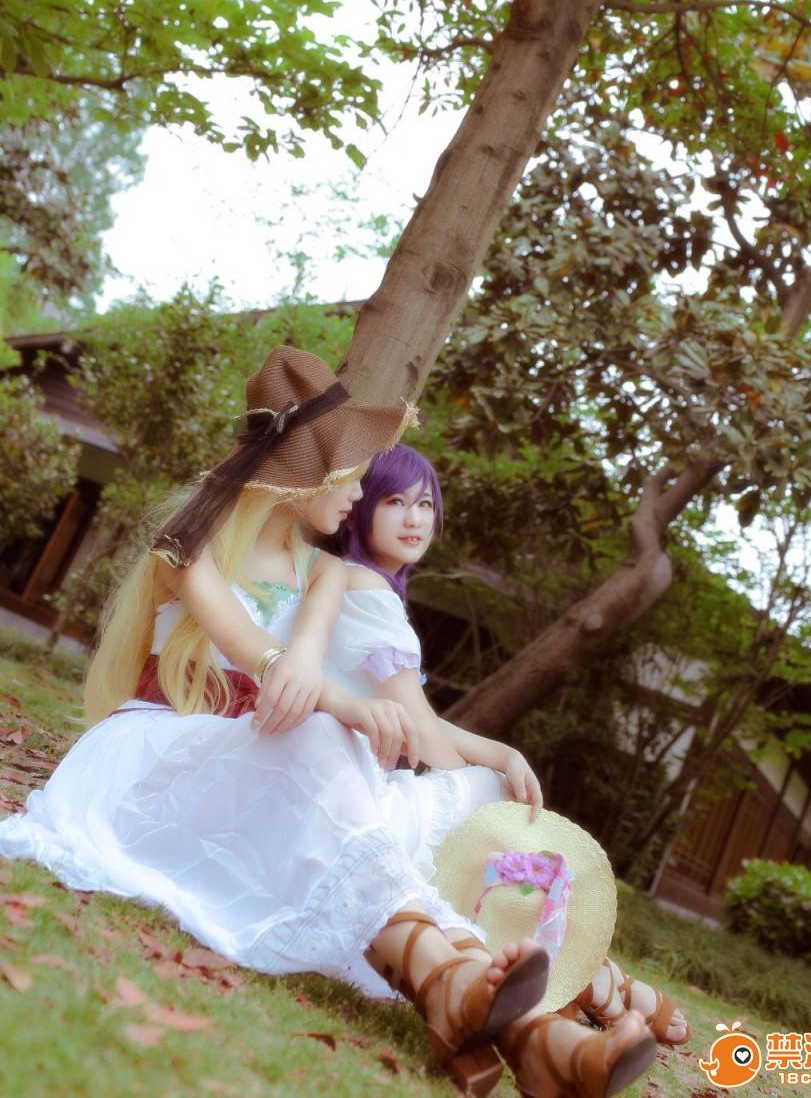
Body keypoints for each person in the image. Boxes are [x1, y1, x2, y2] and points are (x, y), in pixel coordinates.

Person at [0, 346, 650, 1098]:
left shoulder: (330, 571)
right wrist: (348, 706)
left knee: (354, 760)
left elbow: (303, 667)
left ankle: (533, 1035)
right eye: (351, 472)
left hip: (257, 755)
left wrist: (342, 704)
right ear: (303, 470)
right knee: (317, 733)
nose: (360, 492)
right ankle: (508, 1019)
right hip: (155, 751)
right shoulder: (188, 544)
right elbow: (256, 652)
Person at [338, 443, 691, 1062]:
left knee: (494, 800)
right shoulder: (364, 589)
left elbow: (423, 724)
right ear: (361, 507)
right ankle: (594, 981)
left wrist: (500, 755)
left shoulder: (368, 587)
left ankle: (589, 976)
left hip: (358, 784)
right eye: (395, 502)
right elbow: (425, 740)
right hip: (356, 799)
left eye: (425, 505)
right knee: (494, 804)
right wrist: (495, 766)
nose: (415, 519)